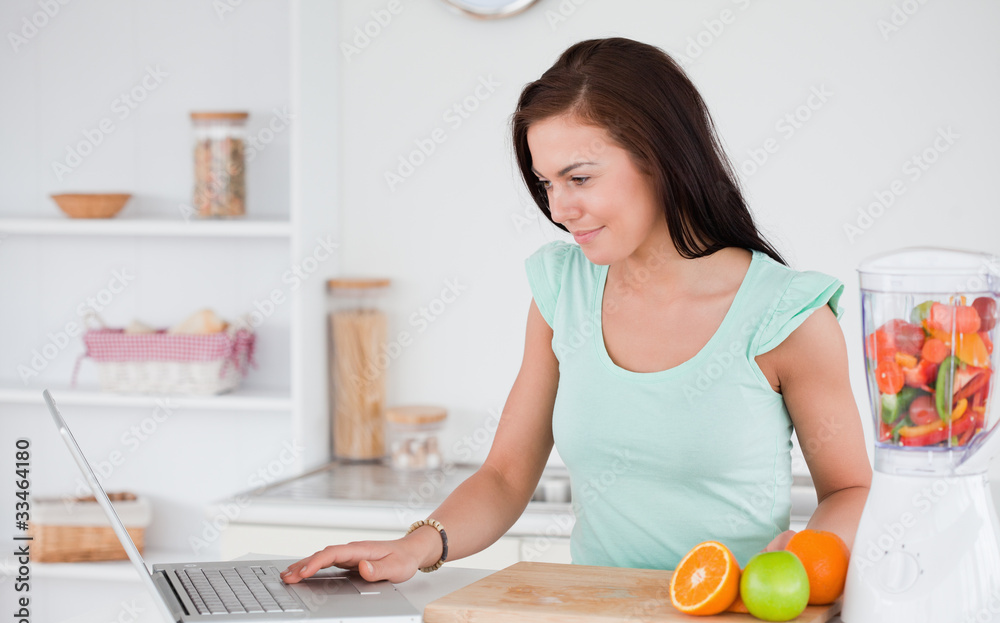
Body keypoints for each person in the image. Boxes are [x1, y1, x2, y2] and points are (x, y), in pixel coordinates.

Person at [281, 37, 872, 585]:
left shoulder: (786, 315)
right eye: (545, 184)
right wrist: (415, 548)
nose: (559, 207)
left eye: (579, 178)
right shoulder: (563, 291)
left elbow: (849, 488)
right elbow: (507, 476)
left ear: (660, 158)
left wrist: (804, 556)